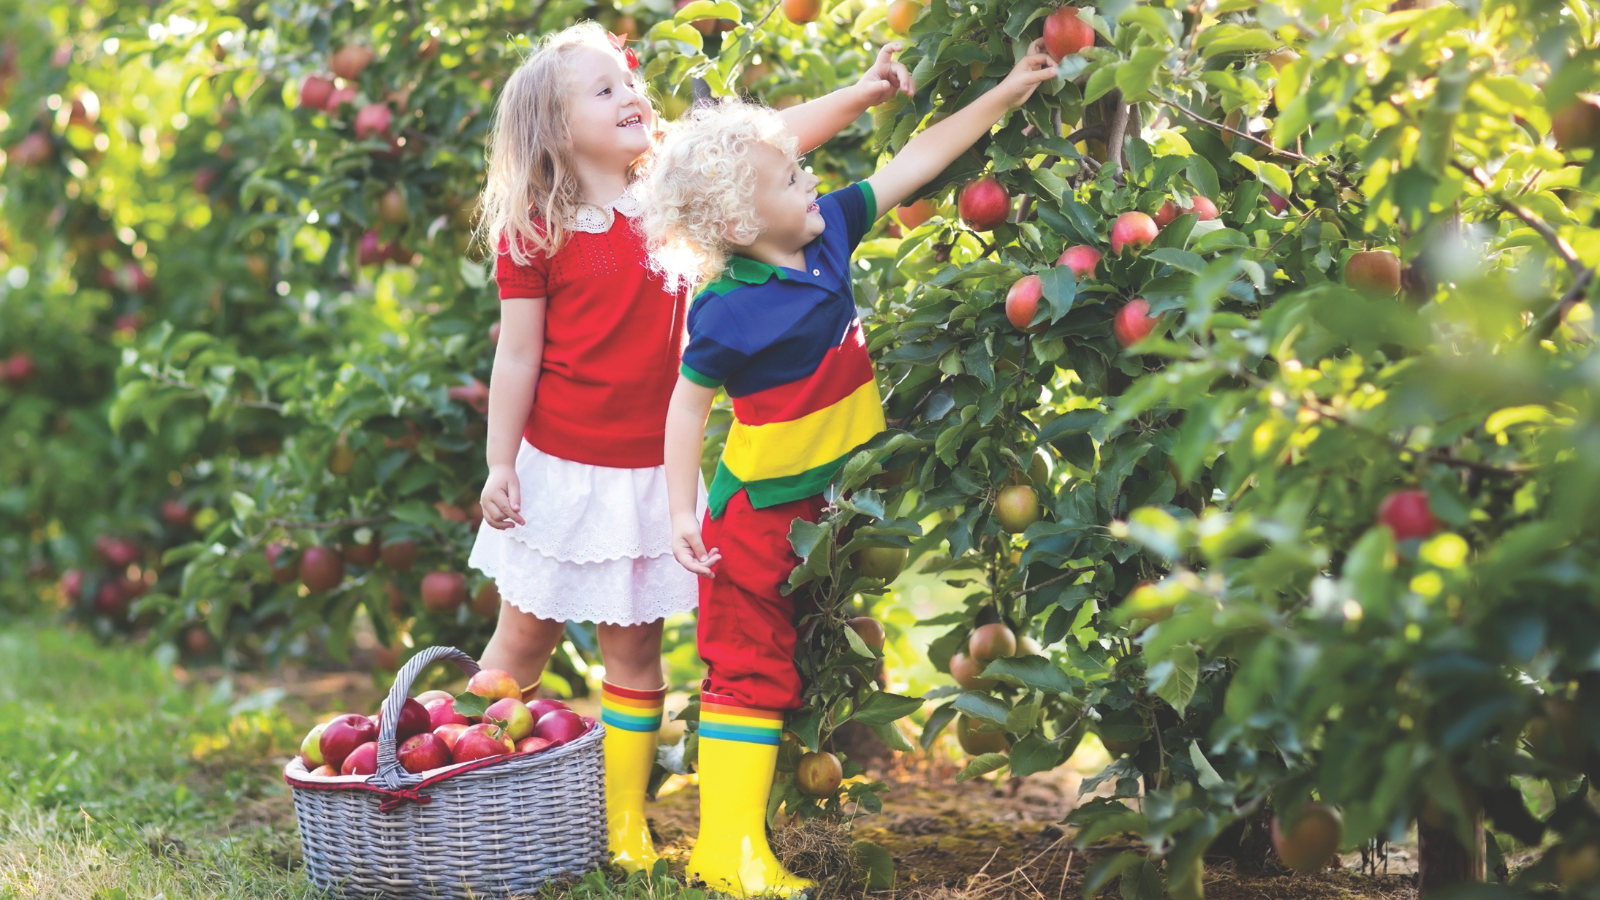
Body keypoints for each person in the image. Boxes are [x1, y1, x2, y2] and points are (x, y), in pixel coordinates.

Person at [467, 21, 913, 875]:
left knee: (635, 652)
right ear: (555, 127)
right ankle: (467, 784)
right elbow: (516, 356)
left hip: (647, 472)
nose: (631, 95)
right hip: (561, 469)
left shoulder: (669, 182)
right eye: (604, 89)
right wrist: (500, 463)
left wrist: (861, 93)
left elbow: (772, 142)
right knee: (522, 637)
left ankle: (622, 823)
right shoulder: (537, 228)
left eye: (629, 80)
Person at [637, 40, 1059, 896]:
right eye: (791, 177)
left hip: (825, 510)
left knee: (789, 666)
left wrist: (1008, 91)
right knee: (748, 670)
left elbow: (918, 158)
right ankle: (727, 850)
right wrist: (681, 514)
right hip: (756, 516)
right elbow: (686, 409)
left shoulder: (829, 235)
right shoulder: (724, 310)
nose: (811, 180)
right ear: (738, 226)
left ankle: (741, 841)